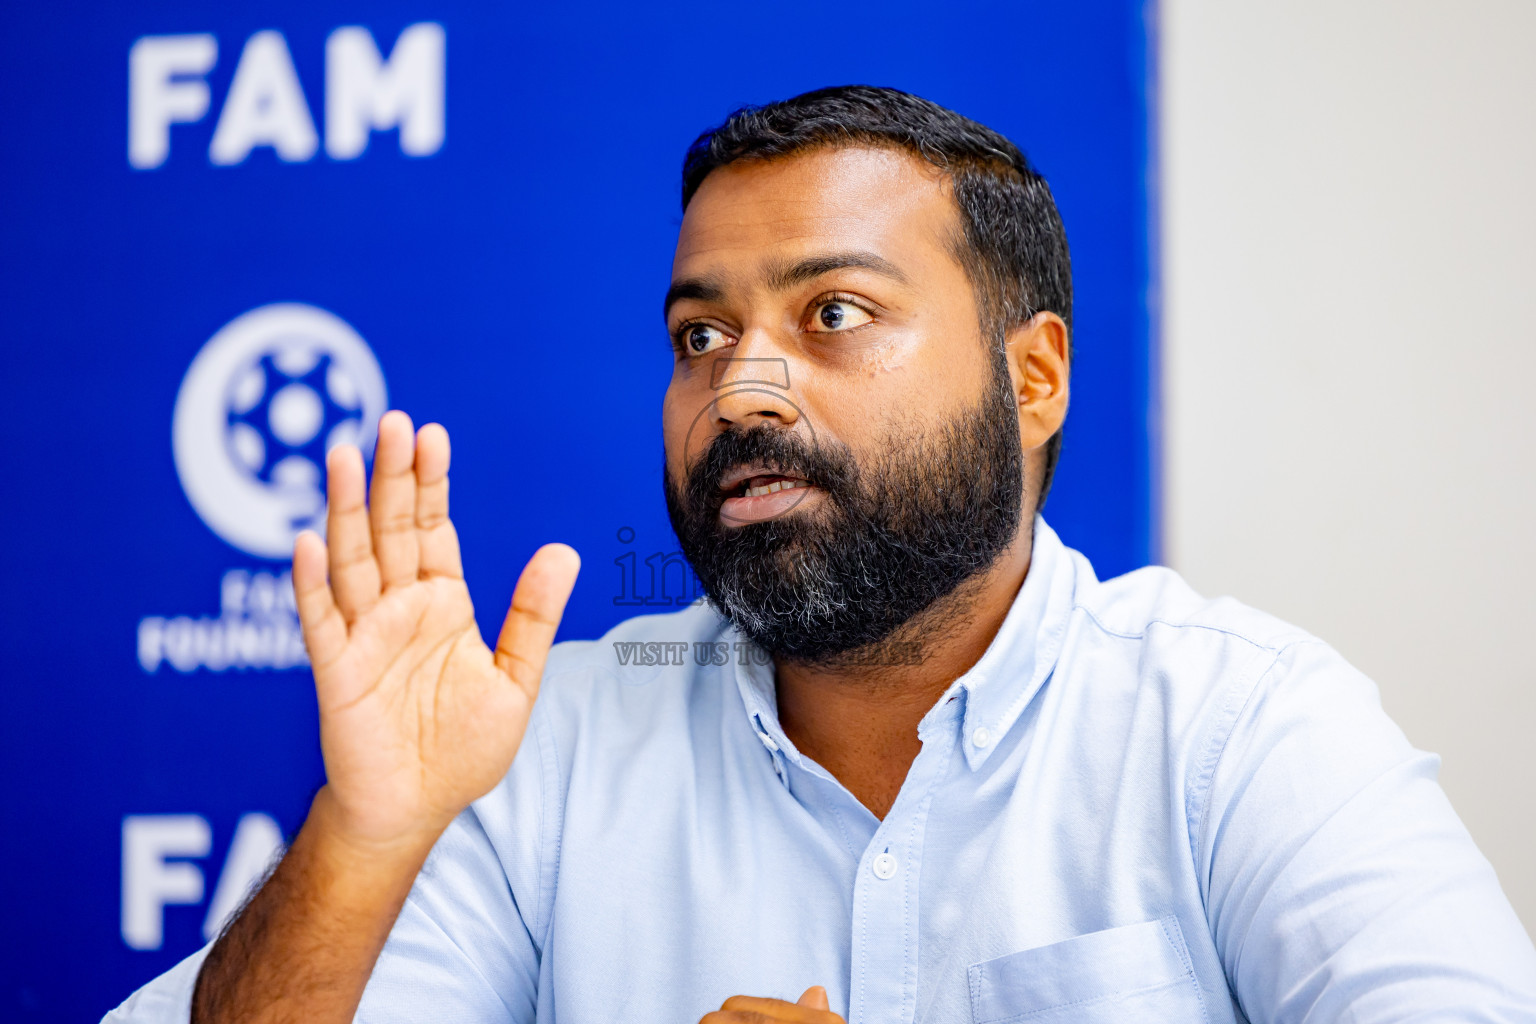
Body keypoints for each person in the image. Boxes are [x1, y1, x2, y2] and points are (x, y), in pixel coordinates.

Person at [106, 85, 1536, 1024]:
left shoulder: (1241, 728)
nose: (743, 389)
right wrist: (369, 837)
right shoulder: (540, 750)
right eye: (700, 336)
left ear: (1033, 379)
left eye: (835, 313)